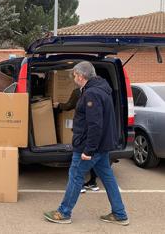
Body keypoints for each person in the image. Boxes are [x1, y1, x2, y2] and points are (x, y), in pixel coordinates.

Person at [44, 61, 129, 226]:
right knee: (108, 177)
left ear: (81, 76)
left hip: (90, 147)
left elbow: (95, 125)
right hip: (102, 146)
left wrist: (89, 150)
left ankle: (63, 213)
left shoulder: (92, 94)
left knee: (75, 176)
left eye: (75, 75)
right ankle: (120, 214)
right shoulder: (102, 89)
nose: (74, 77)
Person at [53, 87, 99, 193]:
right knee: (94, 158)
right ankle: (93, 182)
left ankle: (79, 185)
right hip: (96, 130)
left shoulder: (78, 92)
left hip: (82, 130)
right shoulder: (100, 91)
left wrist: (58, 105)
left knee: (79, 159)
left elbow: (69, 105)